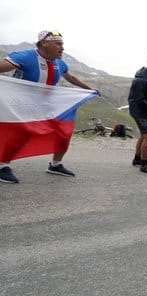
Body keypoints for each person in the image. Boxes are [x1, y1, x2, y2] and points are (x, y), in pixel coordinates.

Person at [0, 30, 97, 183]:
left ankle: (55, 164)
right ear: (44, 43)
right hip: (22, 105)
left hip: (46, 105)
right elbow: (3, 66)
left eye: (62, 44)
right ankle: (3, 165)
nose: (62, 48)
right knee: (20, 134)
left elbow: (70, 77)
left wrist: (88, 88)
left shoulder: (60, 62)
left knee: (64, 131)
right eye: (58, 44)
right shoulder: (25, 56)